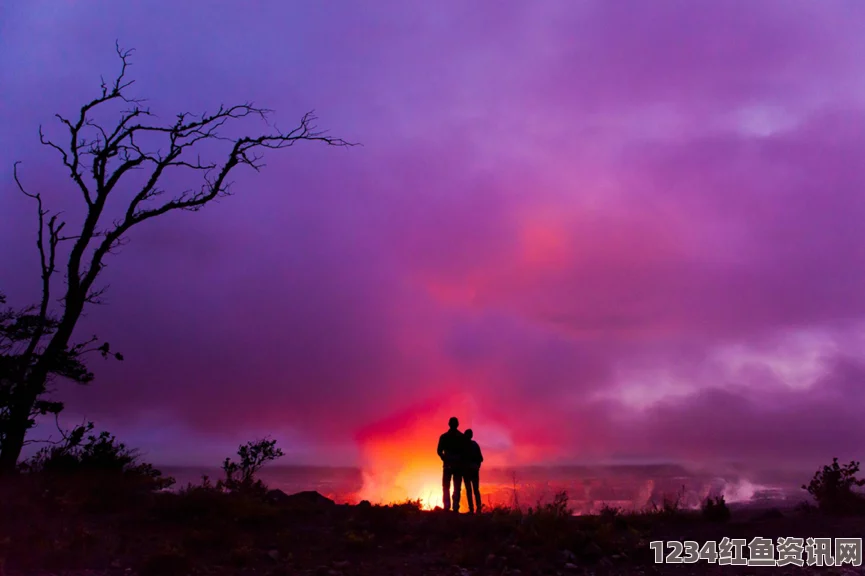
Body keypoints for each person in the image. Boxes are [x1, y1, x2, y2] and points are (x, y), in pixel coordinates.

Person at [436, 416, 465, 512]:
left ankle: (448, 506)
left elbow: (439, 451)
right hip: (456, 465)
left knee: (447, 486)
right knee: (455, 487)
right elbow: (465, 452)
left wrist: (444, 458)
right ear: (457, 424)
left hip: (449, 465)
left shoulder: (444, 437)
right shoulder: (461, 437)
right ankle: (454, 506)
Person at [462, 428, 484, 514]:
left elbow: (480, 459)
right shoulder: (475, 445)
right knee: (475, 490)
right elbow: (481, 459)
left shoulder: (463, 446)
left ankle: (472, 509)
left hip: (467, 471)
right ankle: (478, 508)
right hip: (474, 470)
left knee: (470, 490)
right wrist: (477, 466)